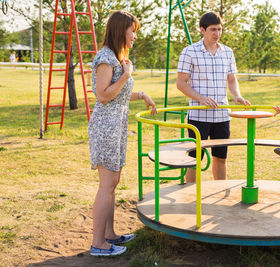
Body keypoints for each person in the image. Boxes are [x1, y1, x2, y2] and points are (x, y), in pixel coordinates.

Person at [88, 10, 157, 257]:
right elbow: (104, 95)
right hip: (106, 126)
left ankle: (109, 234)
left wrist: (141, 95)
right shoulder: (106, 58)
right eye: (132, 31)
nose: (135, 36)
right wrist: (127, 75)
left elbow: (119, 93)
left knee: (113, 184)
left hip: (116, 125)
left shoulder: (118, 57)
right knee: (106, 186)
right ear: (121, 30)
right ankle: (98, 244)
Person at [176, 11, 250, 183]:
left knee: (221, 158)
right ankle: (190, 196)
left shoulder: (227, 52)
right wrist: (201, 98)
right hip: (198, 116)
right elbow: (181, 83)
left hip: (222, 116)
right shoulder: (189, 52)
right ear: (202, 30)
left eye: (219, 29)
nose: (217, 34)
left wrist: (237, 95)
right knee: (194, 160)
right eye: (213, 30)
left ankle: (219, 191)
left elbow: (231, 80)